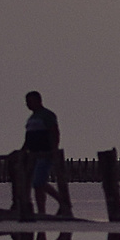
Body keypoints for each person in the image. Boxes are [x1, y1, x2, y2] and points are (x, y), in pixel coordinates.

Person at [22, 92, 69, 220]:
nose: (27, 104)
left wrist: (54, 149)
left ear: (38, 100)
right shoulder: (31, 118)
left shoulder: (47, 115)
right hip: (33, 154)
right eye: (26, 101)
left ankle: (63, 202)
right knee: (35, 184)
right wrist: (23, 150)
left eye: (30, 101)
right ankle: (41, 211)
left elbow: (55, 131)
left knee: (39, 182)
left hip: (45, 153)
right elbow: (28, 138)